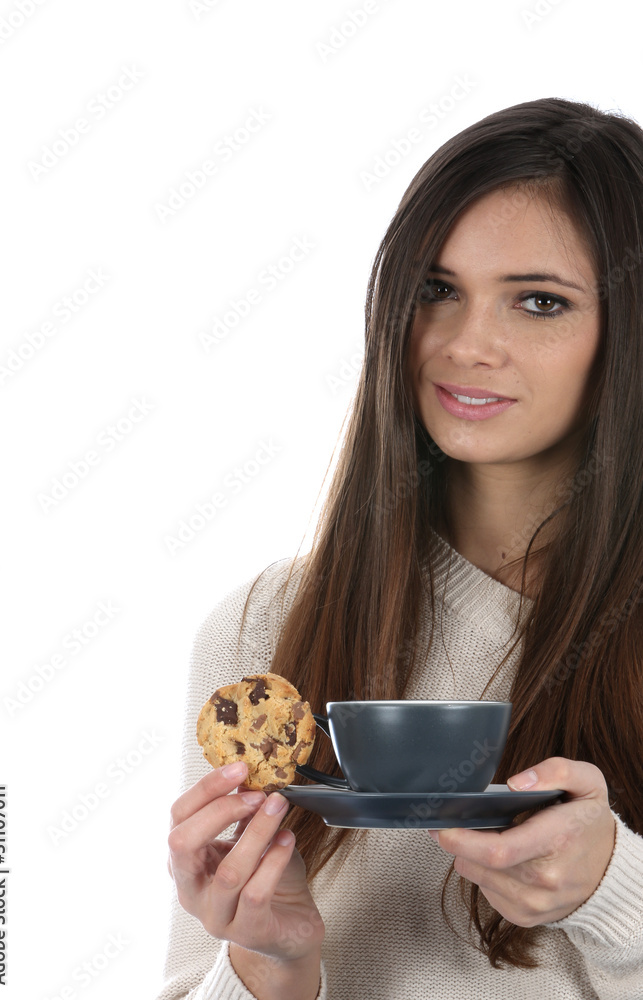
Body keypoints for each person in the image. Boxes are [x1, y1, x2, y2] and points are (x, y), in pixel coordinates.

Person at [155, 97, 643, 999]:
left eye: (539, 301)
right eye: (435, 290)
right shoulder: (266, 629)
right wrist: (268, 963)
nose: (466, 345)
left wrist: (616, 897)